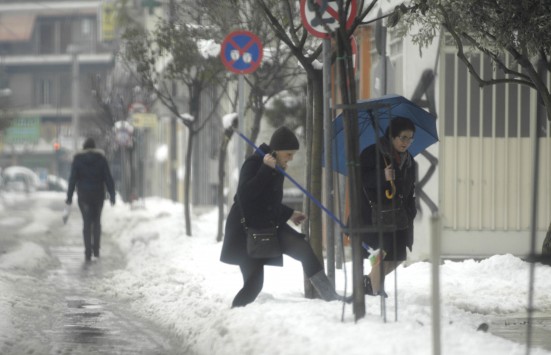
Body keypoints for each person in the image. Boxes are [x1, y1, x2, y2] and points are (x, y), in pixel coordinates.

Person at [220, 126, 349, 307]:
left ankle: (331, 297)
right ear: (276, 150)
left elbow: (267, 201)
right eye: (288, 154)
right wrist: (266, 170)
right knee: (254, 284)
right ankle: (234, 315)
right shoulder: (254, 163)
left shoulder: (275, 166)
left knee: (303, 250)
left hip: (269, 224)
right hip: (246, 230)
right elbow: (245, 196)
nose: (291, 158)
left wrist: (289, 213)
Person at [359, 117, 417, 297]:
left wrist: (410, 211)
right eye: (403, 137)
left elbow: (409, 189)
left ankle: (369, 281)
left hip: (399, 216)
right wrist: (382, 176)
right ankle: (373, 292)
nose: (406, 143)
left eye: (410, 138)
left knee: (398, 256)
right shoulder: (372, 154)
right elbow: (361, 181)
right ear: (392, 136)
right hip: (376, 215)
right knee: (383, 253)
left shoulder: (409, 160)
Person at [66, 138, 116, 261]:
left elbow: (73, 179)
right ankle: (96, 250)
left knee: (87, 223)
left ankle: (88, 251)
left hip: (83, 196)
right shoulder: (101, 159)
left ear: (84, 147)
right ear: (94, 147)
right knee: (97, 222)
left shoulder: (77, 160)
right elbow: (108, 178)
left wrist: (69, 197)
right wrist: (112, 195)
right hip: (98, 195)